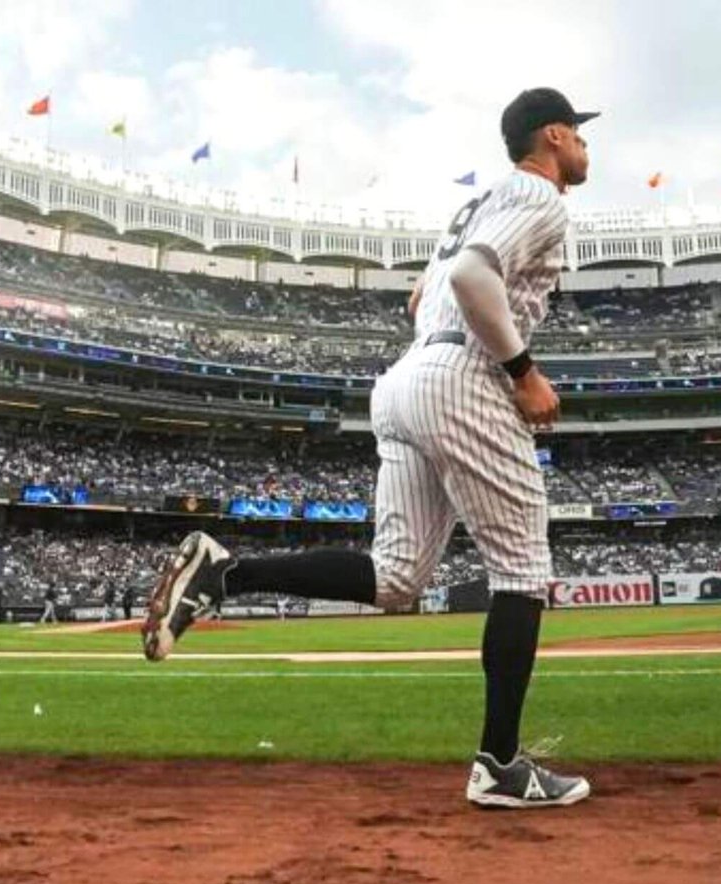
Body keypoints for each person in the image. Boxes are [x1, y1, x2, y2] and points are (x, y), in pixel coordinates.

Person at [141, 88, 596, 809]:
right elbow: (476, 278)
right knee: (523, 572)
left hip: (409, 377)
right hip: (467, 376)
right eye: (577, 135)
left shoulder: (476, 207)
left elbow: (423, 298)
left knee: (396, 580)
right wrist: (523, 371)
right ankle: (500, 765)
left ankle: (226, 574)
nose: (584, 148)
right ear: (552, 136)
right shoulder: (540, 198)